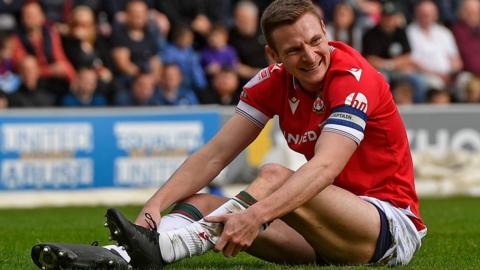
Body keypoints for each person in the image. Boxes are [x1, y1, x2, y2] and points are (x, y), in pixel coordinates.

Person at [31, 0, 426, 269]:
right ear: (274, 56)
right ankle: (122, 255)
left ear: (325, 30)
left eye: (316, 41)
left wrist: (255, 216)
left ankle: (164, 248)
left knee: (273, 174)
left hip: (388, 229)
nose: (309, 55)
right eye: (293, 50)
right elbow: (214, 155)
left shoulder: (354, 78)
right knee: (200, 202)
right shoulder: (270, 82)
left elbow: (324, 167)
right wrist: (152, 209)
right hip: (323, 231)